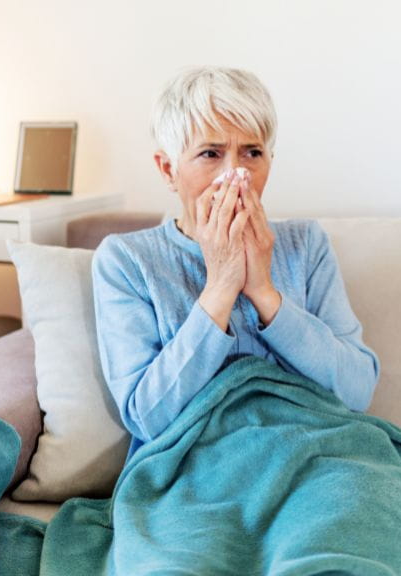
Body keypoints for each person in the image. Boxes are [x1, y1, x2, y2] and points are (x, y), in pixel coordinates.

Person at [92, 66, 379, 456]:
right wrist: (221, 288)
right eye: (210, 153)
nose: (235, 175)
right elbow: (146, 416)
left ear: (270, 162)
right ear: (168, 169)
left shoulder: (306, 245)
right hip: (197, 469)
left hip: (313, 454)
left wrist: (264, 292)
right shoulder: (127, 261)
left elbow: (357, 390)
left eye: (252, 153)